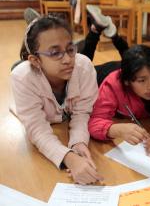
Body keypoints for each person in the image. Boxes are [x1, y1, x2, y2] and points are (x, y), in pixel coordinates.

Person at [11, 15, 103, 185]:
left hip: (60, 101)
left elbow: (82, 113)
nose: (68, 60)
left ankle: (37, 24)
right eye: (55, 53)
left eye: (70, 49)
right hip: (30, 76)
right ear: (36, 60)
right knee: (17, 68)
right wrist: (69, 158)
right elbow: (37, 129)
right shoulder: (22, 78)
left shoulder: (84, 66)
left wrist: (79, 143)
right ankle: (34, 25)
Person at [85, 5, 150, 145]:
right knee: (81, 67)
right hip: (102, 74)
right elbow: (95, 122)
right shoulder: (113, 84)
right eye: (142, 81)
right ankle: (96, 30)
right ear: (128, 82)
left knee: (136, 58)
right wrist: (116, 129)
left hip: (132, 68)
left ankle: (115, 35)